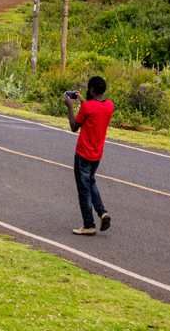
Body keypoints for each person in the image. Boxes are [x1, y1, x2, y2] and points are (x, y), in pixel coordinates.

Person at [66, 76, 115, 235]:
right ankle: (102, 212)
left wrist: (70, 107)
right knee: (91, 181)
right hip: (97, 155)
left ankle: (89, 225)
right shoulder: (109, 105)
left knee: (83, 189)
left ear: (92, 90)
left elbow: (74, 126)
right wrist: (82, 102)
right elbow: (94, 111)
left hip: (83, 154)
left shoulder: (86, 107)